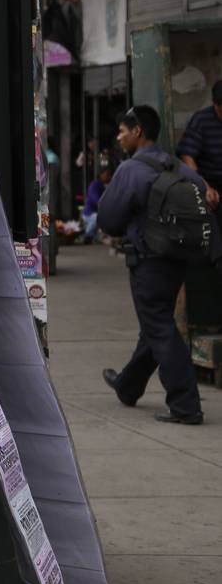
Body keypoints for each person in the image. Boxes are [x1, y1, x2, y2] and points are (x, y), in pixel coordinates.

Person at [98, 105, 206, 425]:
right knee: (154, 326)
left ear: (137, 132)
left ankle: (186, 404)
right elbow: (201, 191)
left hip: (147, 261)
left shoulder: (130, 170)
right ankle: (128, 386)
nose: (119, 138)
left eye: (122, 132)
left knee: (159, 328)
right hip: (177, 260)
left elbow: (108, 219)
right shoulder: (175, 165)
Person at [177, 78, 222, 214]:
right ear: (215, 105)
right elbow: (187, 156)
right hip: (212, 184)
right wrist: (204, 187)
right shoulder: (201, 120)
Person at [81, 165, 111, 244]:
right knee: (97, 217)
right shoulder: (94, 185)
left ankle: (94, 236)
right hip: (89, 214)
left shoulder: (103, 186)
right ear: (101, 175)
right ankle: (87, 235)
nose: (109, 177)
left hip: (97, 213)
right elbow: (97, 200)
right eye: (107, 174)